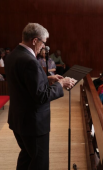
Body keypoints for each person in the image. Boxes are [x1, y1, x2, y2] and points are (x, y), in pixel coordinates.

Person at [4, 23, 76, 170]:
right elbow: (41, 96)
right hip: (33, 124)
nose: (44, 47)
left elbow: (23, 83)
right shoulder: (30, 61)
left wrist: (46, 79)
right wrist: (61, 84)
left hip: (18, 119)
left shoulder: (12, 55)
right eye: (43, 43)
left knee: (27, 156)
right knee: (39, 163)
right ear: (35, 40)